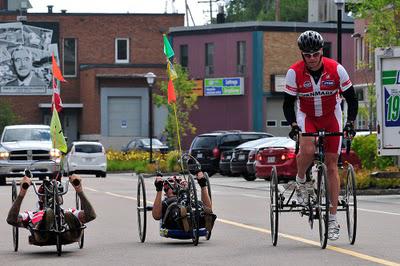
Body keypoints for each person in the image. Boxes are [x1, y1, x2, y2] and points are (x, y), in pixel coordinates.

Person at [282, 30, 358, 241]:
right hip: (307, 115)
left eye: (316, 54)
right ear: (302, 55)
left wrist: (350, 123)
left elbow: (351, 99)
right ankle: (300, 181)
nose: (313, 59)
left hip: (331, 115)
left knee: (332, 165)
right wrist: (293, 124)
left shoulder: (337, 69)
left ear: (322, 51)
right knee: (306, 149)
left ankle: (332, 220)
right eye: (308, 55)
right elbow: (288, 104)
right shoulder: (294, 73)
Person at [6, 174, 96, 245]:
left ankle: (67, 225)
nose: (54, 198)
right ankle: (46, 221)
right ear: (41, 198)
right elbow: (11, 220)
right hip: (42, 236)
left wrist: (79, 191)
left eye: (58, 195)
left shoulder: (69, 212)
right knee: (44, 218)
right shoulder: (32, 214)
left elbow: (91, 216)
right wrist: (22, 194)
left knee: (69, 215)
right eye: (48, 195)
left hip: (69, 235)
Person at [152, 171, 216, 233]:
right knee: (177, 209)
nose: (176, 186)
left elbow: (209, 207)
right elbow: (156, 216)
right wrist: (159, 189)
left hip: (192, 208)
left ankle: (200, 218)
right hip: (176, 217)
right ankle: (185, 216)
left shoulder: (192, 199)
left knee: (202, 207)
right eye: (172, 184)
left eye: (179, 183)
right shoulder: (167, 202)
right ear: (166, 189)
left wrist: (203, 185)